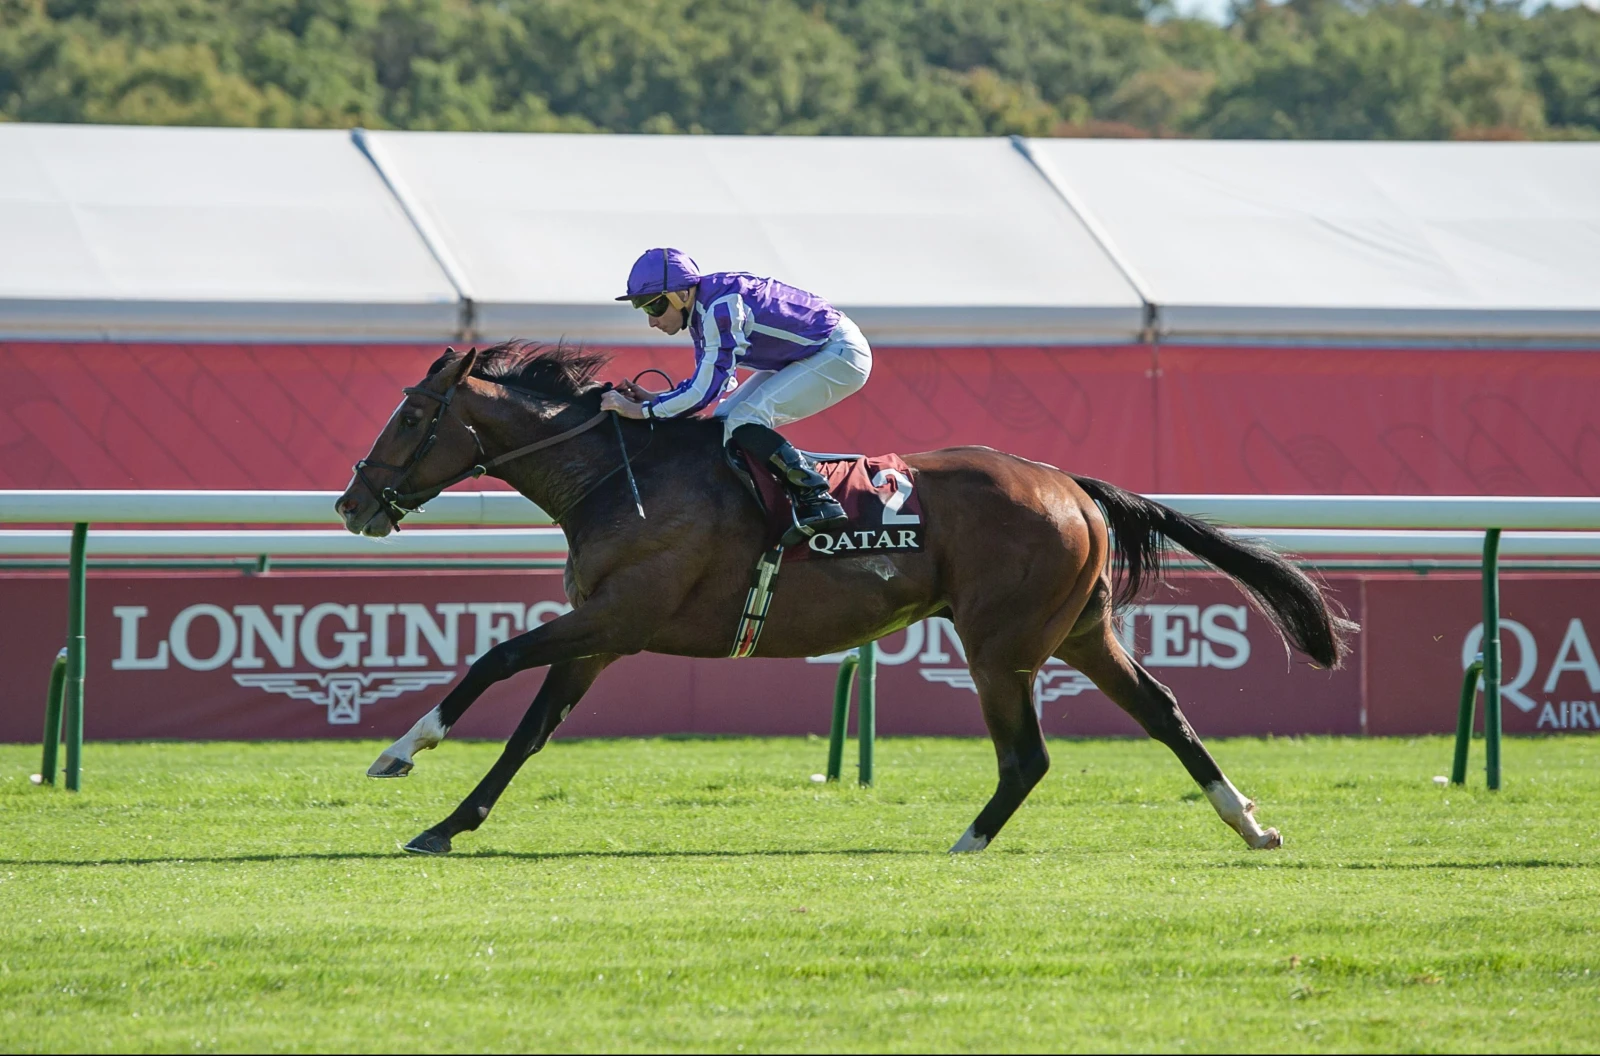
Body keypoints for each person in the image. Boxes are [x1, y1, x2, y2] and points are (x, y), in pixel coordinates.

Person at [600, 247, 872, 537]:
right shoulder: (703, 307)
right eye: (642, 308)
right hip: (809, 352)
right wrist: (656, 400)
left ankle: (817, 500)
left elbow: (704, 391)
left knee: (745, 420)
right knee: (725, 422)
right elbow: (709, 385)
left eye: (654, 306)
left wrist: (640, 411)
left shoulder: (718, 308)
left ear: (681, 294)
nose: (652, 321)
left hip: (839, 353)